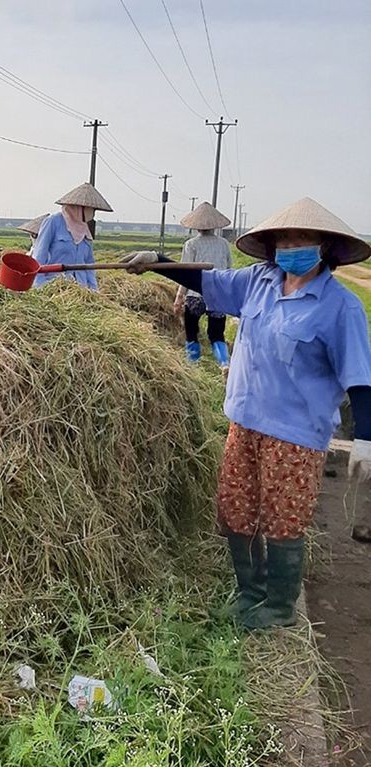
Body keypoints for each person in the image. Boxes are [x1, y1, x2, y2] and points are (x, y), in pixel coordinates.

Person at [121, 197, 371, 629]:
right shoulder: (260, 280)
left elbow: (360, 378)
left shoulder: (339, 307)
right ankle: (248, 593)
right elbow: (210, 282)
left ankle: (279, 607)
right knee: (236, 508)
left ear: (325, 247)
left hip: (295, 433)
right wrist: (158, 261)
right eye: (284, 239)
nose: (291, 245)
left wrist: (365, 438)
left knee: (284, 516)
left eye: (303, 238)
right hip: (245, 420)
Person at [173, 201, 233, 368]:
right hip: (217, 293)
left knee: (192, 331)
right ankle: (224, 364)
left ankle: (193, 365)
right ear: (215, 226)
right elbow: (229, 269)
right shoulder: (223, 244)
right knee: (216, 334)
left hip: (195, 295)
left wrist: (179, 297)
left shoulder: (191, 244)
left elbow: (184, 273)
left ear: (196, 226)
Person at [31, 183, 113, 290]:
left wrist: (93, 290)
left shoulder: (85, 230)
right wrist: (40, 287)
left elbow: (89, 264)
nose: (93, 214)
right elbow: (39, 257)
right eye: (91, 209)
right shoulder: (54, 222)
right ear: (80, 208)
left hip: (80, 289)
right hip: (55, 287)